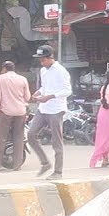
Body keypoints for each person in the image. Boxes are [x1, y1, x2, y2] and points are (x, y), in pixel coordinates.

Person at [26, 45, 70, 179]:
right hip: (43, 108)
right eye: (40, 60)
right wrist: (39, 92)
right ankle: (45, 163)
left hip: (56, 109)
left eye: (43, 59)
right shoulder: (43, 71)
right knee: (31, 134)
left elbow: (67, 91)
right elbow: (45, 86)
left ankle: (58, 171)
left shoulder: (61, 71)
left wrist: (49, 97)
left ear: (50, 57)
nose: (41, 62)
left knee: (56, 141)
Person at [0, 61, 32, 172]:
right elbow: (27, 97)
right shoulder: (23, 79)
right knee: (18, 138)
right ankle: (17, 165)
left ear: (4, 68)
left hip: (5, 111)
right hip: (20, 111)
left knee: (1, 138)